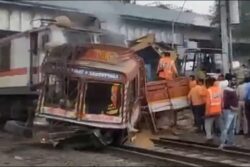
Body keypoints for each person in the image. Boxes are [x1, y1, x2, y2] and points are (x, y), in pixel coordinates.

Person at [219, 75, 239, 149]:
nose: (234, 82)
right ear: (229, 81)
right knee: (226, 127)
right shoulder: (227, 90)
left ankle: (231, 142)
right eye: (233, 80)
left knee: (232, 128)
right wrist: (232, 107)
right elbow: (226, 102)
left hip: (233, 111)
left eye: (235, 80)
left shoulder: (232, 90)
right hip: (229, 110)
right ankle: (223, 142)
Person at [204, 77, 223, 143]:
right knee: (220, 125)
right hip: (218, 110)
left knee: (208, 124)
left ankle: (209, 137)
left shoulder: (208, 90)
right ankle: (223, 137)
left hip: (211, 111)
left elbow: (208, 103)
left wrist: (206, 112)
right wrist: (221, 109)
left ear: (208, 83)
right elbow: (222, 100)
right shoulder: (219, 89)